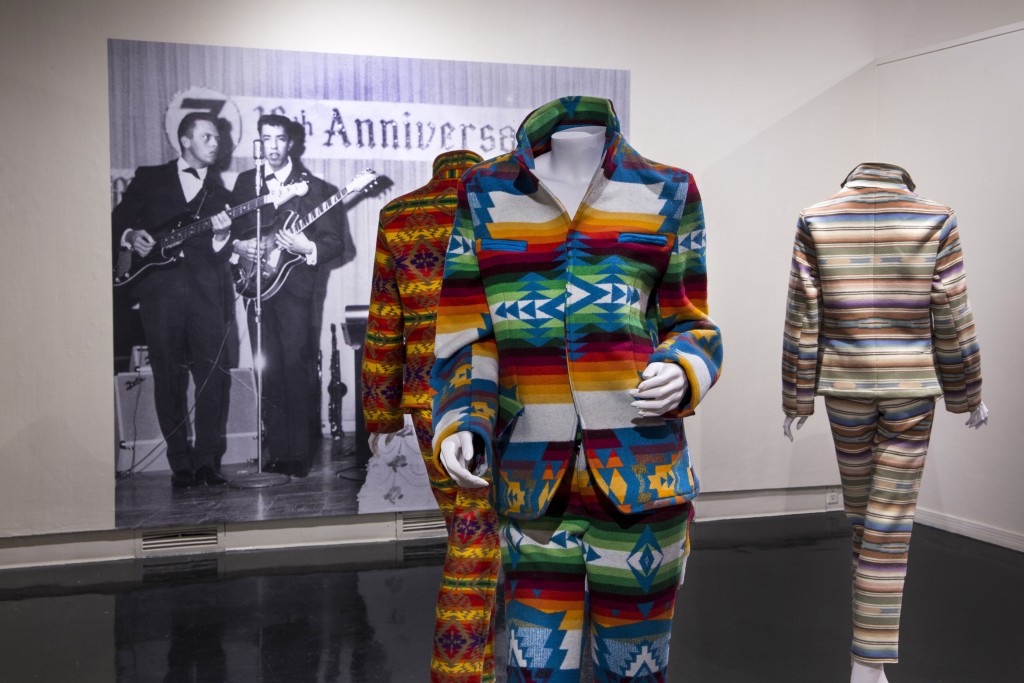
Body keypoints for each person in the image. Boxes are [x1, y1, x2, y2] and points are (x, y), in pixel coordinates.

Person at [430, 96, 722, 681]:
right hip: (532, 484)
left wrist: (686, 367)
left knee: (635, 669)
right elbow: (469, 332)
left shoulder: (667, 190)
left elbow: (691, 322)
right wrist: (463, 417)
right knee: (535, 668)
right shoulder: (485, 193)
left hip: (644, 474)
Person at [781, 162, 988, 683]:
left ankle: (866, 662)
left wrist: (796, 398)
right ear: (905, 181)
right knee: (885, 525)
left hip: (844, 390)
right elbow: (953, 314)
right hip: (910, 391)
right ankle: (867, 663)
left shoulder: (817, 217)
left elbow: (804, 315)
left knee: (866, 522)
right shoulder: (936, 218)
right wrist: (968, 394)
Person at [362, 150, 501, 683]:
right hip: (506, 397)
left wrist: (380, 414)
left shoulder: (399, 214)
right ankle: (465, 673)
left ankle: (473, 672)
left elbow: (384, 322)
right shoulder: (502, 208)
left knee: (470, 535)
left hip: (432, 403)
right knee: (491, 540)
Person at [111, 112, 235, 488]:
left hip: (207, 295)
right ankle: (180, 461)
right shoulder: (149, 177)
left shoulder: (220, 192)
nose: (216, 143)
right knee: (168, 379)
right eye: (208, 137)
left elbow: (220, 251)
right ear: (185, 140)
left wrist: (221, 235)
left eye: (217, 137)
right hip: (159, 294)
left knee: (213, 378)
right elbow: (118, 221)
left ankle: (208, 461)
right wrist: (132, 236)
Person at [232, 115, 346, 477]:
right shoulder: (245, 184)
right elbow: (236, 233)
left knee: (296, 369)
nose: (274, 146)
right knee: (267, 369)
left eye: (281, 139)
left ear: (291, 143)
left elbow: (336, 243)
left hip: (296, 290)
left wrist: (306, 244)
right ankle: (276, 450)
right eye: (267, 139)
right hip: (257, 290)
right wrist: (240, 245)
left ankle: (298, 454)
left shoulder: (319, 189)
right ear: (259, 143)